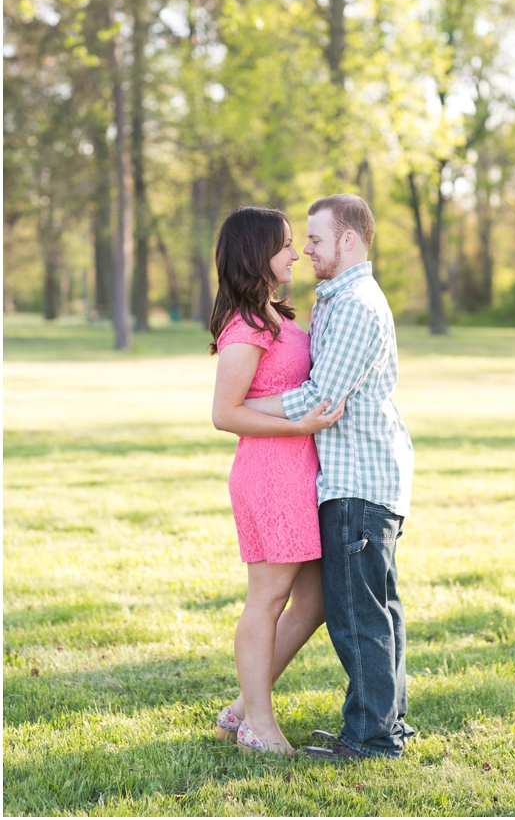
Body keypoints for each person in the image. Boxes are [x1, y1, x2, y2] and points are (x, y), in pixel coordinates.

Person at [244, 193, 415, 761]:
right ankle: (386, 726)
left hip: (357, 481)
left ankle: (369, 739)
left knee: (358, 615)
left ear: (348, 240)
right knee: (379, 609)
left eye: (314, 239)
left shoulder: (357, 304)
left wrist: (253, 402)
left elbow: (321, 399)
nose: (303, 250)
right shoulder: (339, 298)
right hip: (364, 477)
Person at [209, 206, 345, 755]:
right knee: (266, 600)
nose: (296, 254)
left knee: (312, 603)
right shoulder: (245, 326)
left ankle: (242, 708)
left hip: (300, 474)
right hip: (269, 476)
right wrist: (299, 423)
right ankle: (259, 727)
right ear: (255, 253)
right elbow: (224, 413)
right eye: (286, 245)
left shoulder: (276, 316)